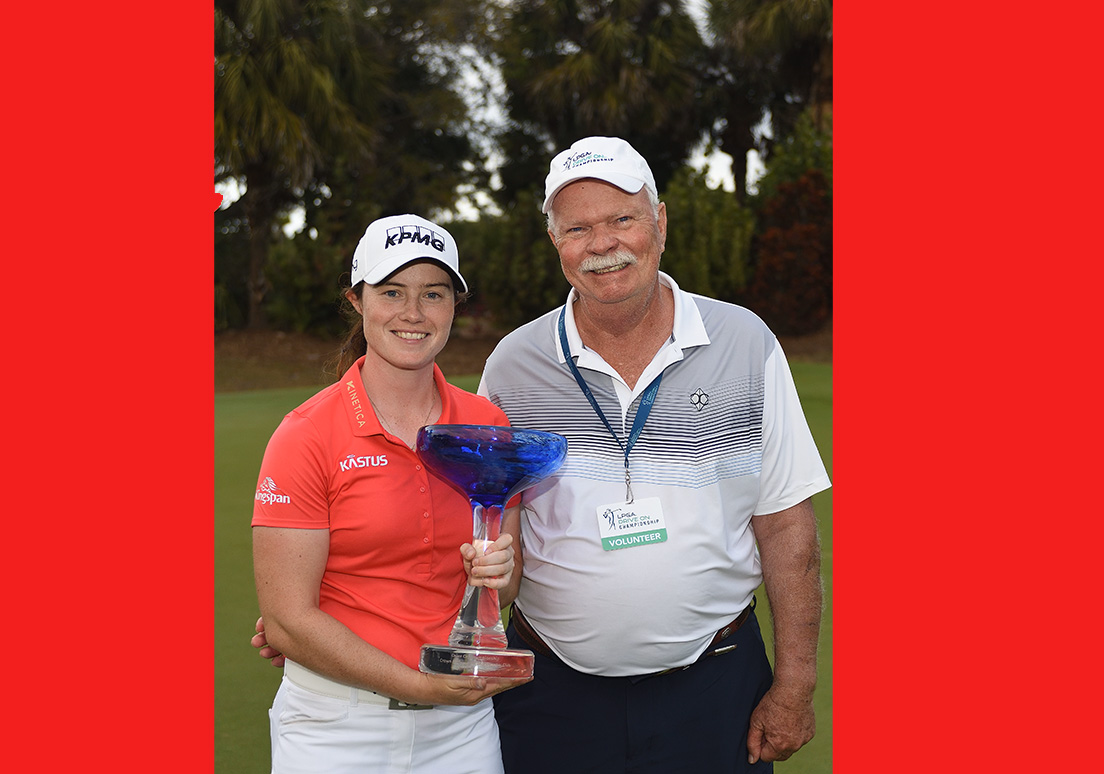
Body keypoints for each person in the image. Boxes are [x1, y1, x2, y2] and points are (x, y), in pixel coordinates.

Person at [256, 138, 832, 773]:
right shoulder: (514, 367)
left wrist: (796, 684)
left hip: (714, 682)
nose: (603, 243)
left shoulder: (745, 342)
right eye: (578, 227)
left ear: (660, 222)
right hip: (553, 694)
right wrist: (306, 621)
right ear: (556, 242)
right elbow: (490, 541)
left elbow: (786, 528)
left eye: (622, 219)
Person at [250, 213, 529, 774]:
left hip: (460, 729)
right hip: (333, 727)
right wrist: (419, 687)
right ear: (358, 300)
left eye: (434, 293)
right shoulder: (306, 434)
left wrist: (500, 569)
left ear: (455, 305)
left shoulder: (486, 424)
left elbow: (506, 585)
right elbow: (286, 621)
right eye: (392, 291)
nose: (413, 313)